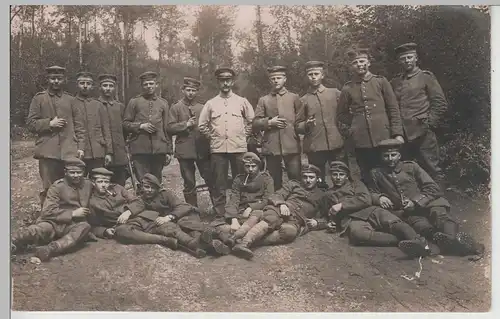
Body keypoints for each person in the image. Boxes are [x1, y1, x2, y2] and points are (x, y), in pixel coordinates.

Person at [366, 139, 484, 257]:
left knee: (440, 216)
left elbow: (433, 188)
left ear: (399, 155)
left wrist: (415, 201)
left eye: (393, 155)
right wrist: (379, 198)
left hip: (429, 202)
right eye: (386, 156)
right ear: (381, 157)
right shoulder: (376, 173)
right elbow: (371, 192)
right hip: (408, 212)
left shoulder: (411, 167)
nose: (390, 158)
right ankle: (447, 244)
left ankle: (455, 240)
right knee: (421, 226)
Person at [324, 161, 430, 257]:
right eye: (335, 174)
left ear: (347, 176)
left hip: (371, 210)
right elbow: (328, 213)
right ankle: (404, 240)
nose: (338, 178)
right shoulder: (328, 194)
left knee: (393, 222)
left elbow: (365, 199)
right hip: (353, 218)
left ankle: (420, 243)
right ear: (331, 176)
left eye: (341, 174)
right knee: (358, 235)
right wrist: (330, 223)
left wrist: (342, 205)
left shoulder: (356, 184)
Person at [231, 164, 325, 260]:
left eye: (311, 177)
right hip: (278, 210)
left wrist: (317, 222)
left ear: (317, 178)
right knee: (271, 219)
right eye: (305, 177)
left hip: (295, 220)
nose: (308, 180)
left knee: (289, 232)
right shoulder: (293, 185)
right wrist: (282, 204)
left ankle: (237, 242)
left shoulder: (322, 195)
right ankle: (244, 243)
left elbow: (327, 217)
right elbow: (276, 195)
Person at [337, 48, 404, 182]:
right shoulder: (347, 88)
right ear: (351, 66)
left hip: (383, 135)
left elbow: (393, 109)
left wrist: (397, 133)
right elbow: (341, 114)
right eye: (355, 62)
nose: (359, 64)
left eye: (362, 61)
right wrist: (355, 124)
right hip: (361, 139)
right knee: (366, 172)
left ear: (369, 63)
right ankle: (372, 199)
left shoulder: (381, 81)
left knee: (387, 169)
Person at [198, 67, 255, 218]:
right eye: (222, 80)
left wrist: (244, 136)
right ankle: (220, 213)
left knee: (241, 180)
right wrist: (213, 136)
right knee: (219, 183)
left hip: (238, 147)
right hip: (218, 149)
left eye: (228, 80)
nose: (225, 83)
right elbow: (202, 124)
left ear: (232, 81)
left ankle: (241, 210)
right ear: (218, 82)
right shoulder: (211, 104)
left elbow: (251, 121)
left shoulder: (242, 101)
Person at [11, 158, 92, 262]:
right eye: (72, 172)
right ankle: (11, 241)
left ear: (83, 172)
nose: (76, 175)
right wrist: (72, 213)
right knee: (37, 230)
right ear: (65, 172)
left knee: (84, 227)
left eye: (79, 172)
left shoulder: (88, 184)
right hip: (53, 222)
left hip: (73, 225)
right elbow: (47, 212)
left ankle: (49, 250)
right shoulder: (57, 187)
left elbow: (103, 190)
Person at [26, 66, 86, 207]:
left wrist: (81, 147)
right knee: (49, 188)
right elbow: (30, 123)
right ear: (47, 79)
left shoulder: (71, 100)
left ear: (64, 80)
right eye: (53, 78)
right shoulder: (39, 98)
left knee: (70, 187)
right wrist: (49, 123)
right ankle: (47, 219)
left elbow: (79, 126)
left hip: (69, 151)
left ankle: (69, 219)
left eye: (59, 79)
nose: (56, 81)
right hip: (47, 151)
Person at [390, 43, 447, 185]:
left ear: (416, 58)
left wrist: (429, 124)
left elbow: (440, 103)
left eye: (410, 57)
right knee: (406, 168)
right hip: (402, 135)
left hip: (423, 132)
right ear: (399, 62)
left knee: (432, 167)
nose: (407, 61)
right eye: (403, 59)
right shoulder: (395, 81)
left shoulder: (425, 77)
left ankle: (438, 202)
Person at [114, 174, 209, 258]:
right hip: (172, 223)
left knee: (189, 227)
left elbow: (183, 206)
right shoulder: (143, 199)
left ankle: (211, 238)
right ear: (142, 187)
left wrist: (169, 217)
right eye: (147, 187)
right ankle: (210, 246)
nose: (149, 190)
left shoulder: (165, 194)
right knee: (174, 230)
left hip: (185, 215)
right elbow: (137, 204)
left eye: (153, 188)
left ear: (158, 188)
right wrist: (128, 212)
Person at [200, 152, 274, 251]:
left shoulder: (266, 179)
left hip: (260, 211)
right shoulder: (239, 180)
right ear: (243, 166)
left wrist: (251, 207)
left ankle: (230, 240)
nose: (250, 169)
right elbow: (234, 200)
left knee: (256, 221)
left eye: (253, 166)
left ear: (258, 166)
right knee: (216, 224)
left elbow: (267, 199)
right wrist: (233, 218)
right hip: (241, 211)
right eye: (247, 166)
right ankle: (229, 241)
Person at [252, 65, 305, 190]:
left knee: (295, 178)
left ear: (285, 79)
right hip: (271, 146)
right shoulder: (263, 100)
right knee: (273, 180)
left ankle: (295, 203)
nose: (276, 80)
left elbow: (300, 121)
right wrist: (269, 123)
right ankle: (276, 205)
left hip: (291, 145)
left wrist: (306, 125)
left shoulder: (294, 98)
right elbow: (255, 123)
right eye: (273, 78)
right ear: (270, 80)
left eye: (279, 78)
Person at [167, 77, 213, 207]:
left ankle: (218, 210)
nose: (191, 93)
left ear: (197, 92)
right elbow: (169, 127)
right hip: (185, 150)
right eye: (188, 90)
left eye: (193, 90)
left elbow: (210, 126)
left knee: (210, 178)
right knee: (189, 182)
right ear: (183, 90)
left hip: (202, 149)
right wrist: (185, 124)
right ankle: (193, 211)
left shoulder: (203, 107)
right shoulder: (176, 107)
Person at [301, 61, 346, 188]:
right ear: (307, 77)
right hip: (315, 145)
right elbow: (298, 125)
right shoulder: (303, 100)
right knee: (318, 178)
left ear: (322, 75)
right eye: (310, 74)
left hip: (336, 143)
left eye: (316, 73)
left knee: (340, 173)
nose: (313, 77)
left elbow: (346, 114)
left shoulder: (335, 93)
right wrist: (306, 124)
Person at [123, 71, 173, 183]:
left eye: (151, 83)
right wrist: (140, 126)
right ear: (142, 86)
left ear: (156, 85)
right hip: (139, 149)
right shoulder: (134, 102)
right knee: (143, 182)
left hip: (159, 149)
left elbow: (167, 128)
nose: (148, 86)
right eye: (145, 84)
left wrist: (168, 150)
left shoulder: (163, 103)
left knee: (156, 182)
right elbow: (125, 123)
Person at [72, 71, 113, 175]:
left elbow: (106, 129)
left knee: (98, 181)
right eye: (82, 83)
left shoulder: (98, 105)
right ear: (77, 85)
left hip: (98, 152)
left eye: (88, 83)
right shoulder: (71, 103)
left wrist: (109, 152)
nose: (85, 86)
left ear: (92, 86)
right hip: (78, 152)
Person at [87, 168, 144, 239]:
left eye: (106, 182)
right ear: (93, 182)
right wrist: (104, 231)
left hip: (137, 218)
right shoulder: (91, 200)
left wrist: (128, 212)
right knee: (124, 232)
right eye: (100, 182)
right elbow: (92, 225)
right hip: (121, 227)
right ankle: (161, 239)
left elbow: (139, 202)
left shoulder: (118, 188)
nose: (104, 185)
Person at [97, 74, 129, 186]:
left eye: (111, 85)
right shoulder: (94, 105)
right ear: (100, 87)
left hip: (119, 154)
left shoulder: (120, 107)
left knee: (120, 185)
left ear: (115, 88)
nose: (108, 88)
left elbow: (125, 129)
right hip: (100, 153)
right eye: (105, 85)